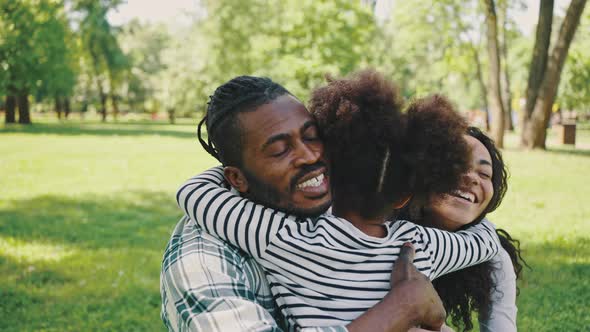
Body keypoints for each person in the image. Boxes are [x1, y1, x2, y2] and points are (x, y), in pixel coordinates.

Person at [174, 70, 501, 330]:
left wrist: (219, 176)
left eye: (313, 137)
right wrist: (402, 308)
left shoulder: (284, 238)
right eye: (279, 150)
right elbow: (484, 242)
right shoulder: (420, 245)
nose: (310, 156)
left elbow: (193, 194)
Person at [399, 127, 526, 331]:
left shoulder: (491, 254)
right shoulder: (376, 230)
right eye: (457, 164)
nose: (473, 178)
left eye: (484, 173)